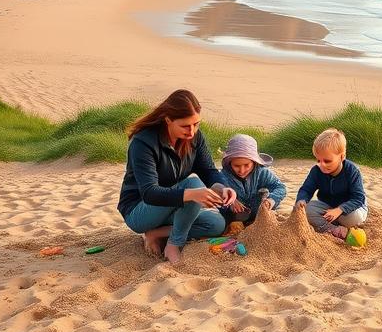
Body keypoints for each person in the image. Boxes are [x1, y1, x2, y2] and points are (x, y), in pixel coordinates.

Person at [117, 89, 228, 265]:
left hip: (172, 206)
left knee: (216, 224)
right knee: (193, 184)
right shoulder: (143, 142)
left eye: (196, 124)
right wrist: (191, 194)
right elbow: (149, 193)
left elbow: (208, 170)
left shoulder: (195, 138)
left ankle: (156, 233)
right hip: (139, 211)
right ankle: (174, 244)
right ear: (168, 119)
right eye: (185, 126)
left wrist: (222, 187)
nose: (192, 131)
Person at [294, 128, 368, 238]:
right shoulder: (316, 171)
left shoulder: (352, 171)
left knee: (354, 218)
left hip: (350, 209)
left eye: (327, 161)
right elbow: (306, 189)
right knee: (306, 210)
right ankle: (333, 229)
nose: (322, 165)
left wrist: (340, 210)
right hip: (328, 206)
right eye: (319, 160)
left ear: (342, 156)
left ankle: (342, 223)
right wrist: (302, 200)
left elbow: (358, 198)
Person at [211, 134, 286, 225]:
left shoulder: (262, 172)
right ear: (229, 163)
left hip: (259, 212)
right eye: (236, 166)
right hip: (233, 216)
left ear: (254, 162)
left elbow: (280, 187)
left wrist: (271, 200)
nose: (242, 170)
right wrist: (230, 202)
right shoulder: (223, 175)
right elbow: (214, 188)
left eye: (246, 165)